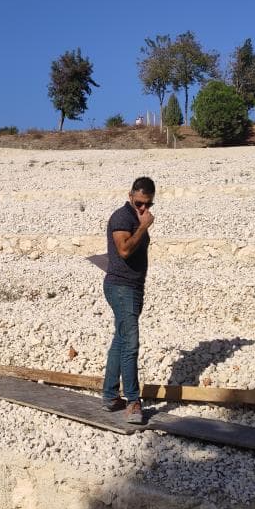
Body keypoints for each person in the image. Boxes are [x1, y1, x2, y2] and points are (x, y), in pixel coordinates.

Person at [102, 176, 155, 424]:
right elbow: (123, 250)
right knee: (131, 344)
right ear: (130, 195)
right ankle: (133, 402)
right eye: (140, 202)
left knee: (120, 340)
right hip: (121, 287)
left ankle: (111, 397)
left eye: (148, 204)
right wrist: (143, 227)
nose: (144, 208)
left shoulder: (135, 217)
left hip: (131, 287)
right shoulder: (122, 218)